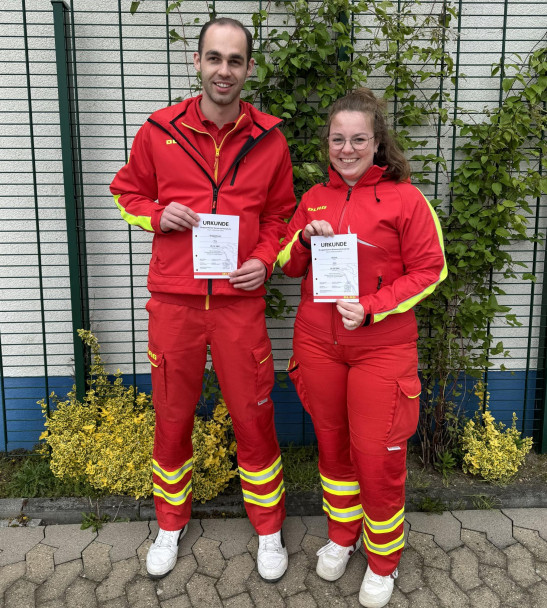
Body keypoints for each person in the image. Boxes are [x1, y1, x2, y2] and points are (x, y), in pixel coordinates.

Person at [110, 17, 295, 582]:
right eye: (214, 57)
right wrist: (155, 214)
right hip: (175, 303)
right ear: (197, 61)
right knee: (172, 416)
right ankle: (170, 523)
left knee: (254, 415)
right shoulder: (158, 130)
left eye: (235, 60)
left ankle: (269, 529)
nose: (224, 70)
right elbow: (125, 191)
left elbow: (281, 215)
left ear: (249, 68)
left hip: (239, 305)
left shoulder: (270, 139)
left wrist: (264, 259)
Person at [277, 88, 447, 607]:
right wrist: (304, 239)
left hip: (381, 348)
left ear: (377, 144)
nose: (347, 149)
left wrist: (373, 306)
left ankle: (383, 559)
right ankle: (342, 536)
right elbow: (287, 263)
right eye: (338, 139)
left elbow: (431, 269)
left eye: (358, 139)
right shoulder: (313, 198)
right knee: (333, 448)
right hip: (319, 345)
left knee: (376, 457)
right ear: (327, 143)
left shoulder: (407, 199)